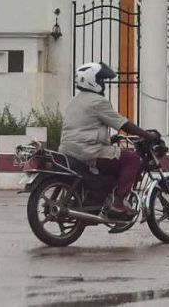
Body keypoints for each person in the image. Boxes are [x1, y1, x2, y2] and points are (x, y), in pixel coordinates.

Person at [60, 62, 157, 220]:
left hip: (69, 150)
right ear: (92, 81)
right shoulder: (98, 102)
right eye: (101, 80)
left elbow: (84, 128)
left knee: (116, 157)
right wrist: (147, 135)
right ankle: (118, 204)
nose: (103, 84)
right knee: (132, 159)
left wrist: (109, 139)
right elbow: (123, 124)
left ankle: (99, 198)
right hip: (88, 151)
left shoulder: (75, 101)